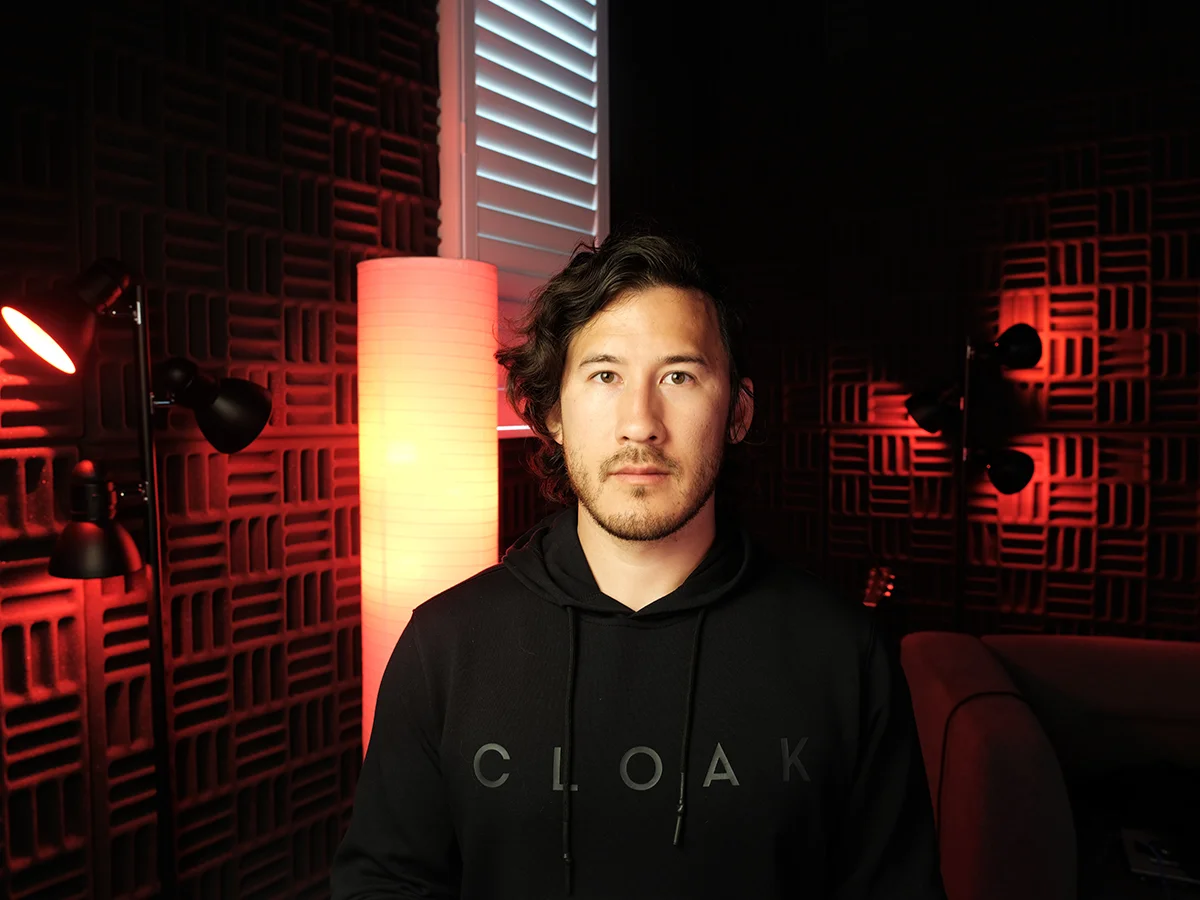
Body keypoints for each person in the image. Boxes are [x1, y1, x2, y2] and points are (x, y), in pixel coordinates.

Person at [330, 229, 947, 899]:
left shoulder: (843, 652)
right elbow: (383, 885)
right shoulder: (444, 645)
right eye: (605, 375)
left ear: (738, 412)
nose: (640, 423)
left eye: (679, 376)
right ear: (554, 413)